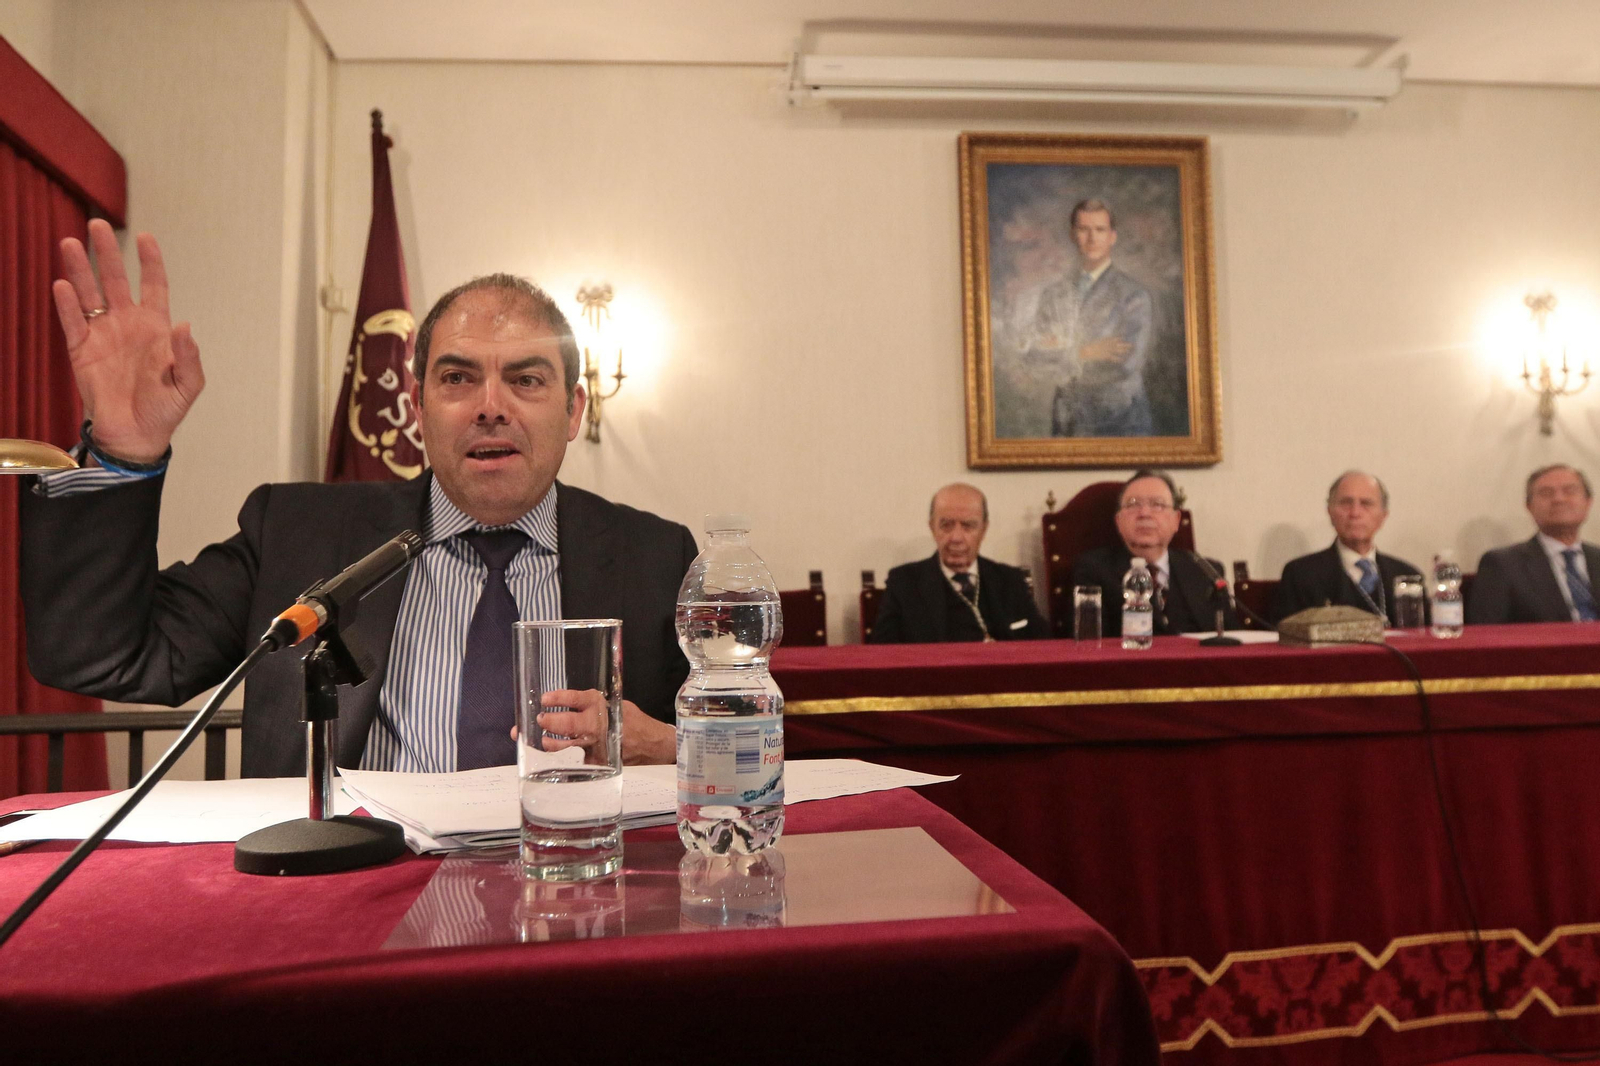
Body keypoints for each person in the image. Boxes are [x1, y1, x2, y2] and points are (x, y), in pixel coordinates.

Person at [20, 220, 686, 777]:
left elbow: (760, 752)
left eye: (525, 380)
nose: (491, 408)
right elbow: (104, 656)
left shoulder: (657, 558)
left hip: (576, 898)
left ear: (572, 410)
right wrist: (122, 455)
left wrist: (665, 746)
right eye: (457, 378)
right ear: (418, 407)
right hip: (349, 898)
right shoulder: (297, 533)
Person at [1029, 199, 1154, 437]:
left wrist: (1062, 354)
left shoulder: (1133, 295)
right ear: (1073, 235)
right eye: (1084, 229)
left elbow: (1124, 363)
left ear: (1112, 237)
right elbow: (1036, 359)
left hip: (1120, 422)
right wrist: (1084, 352)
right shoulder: (1053, 295)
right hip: (1067, 424)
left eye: (1100, 230)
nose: (1092, 238)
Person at [868, 483, 1048, 644]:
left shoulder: (1010, 580)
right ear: (932, 527)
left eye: (968, 526)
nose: (956, 538)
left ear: (984, 530)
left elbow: (1042, 646)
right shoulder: (904, 583)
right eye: (946, 525)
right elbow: (883, 654)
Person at [1071, 470, 1236, 637]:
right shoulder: (1093, 570)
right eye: (1133, 504)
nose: (1144, 513)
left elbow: (1230, 640)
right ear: (1119, 521)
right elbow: (1089, 644)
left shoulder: (1204, 571)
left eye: (1157, 504)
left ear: (1176, 520)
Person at [1273, 470, 1423, 626]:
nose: (1355, 513)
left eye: (1366, 503)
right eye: (1346, 503)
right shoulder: (1300, 574)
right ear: (1330, 512)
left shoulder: (1407, 575)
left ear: (1383, 516)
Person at [1468, 464, 1600, 624]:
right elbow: (1485, 633)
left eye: (1569, 491)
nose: (1559, 499)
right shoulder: (1502, 564)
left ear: (1588, 502)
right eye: (1546, 493)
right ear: (1529, 506)